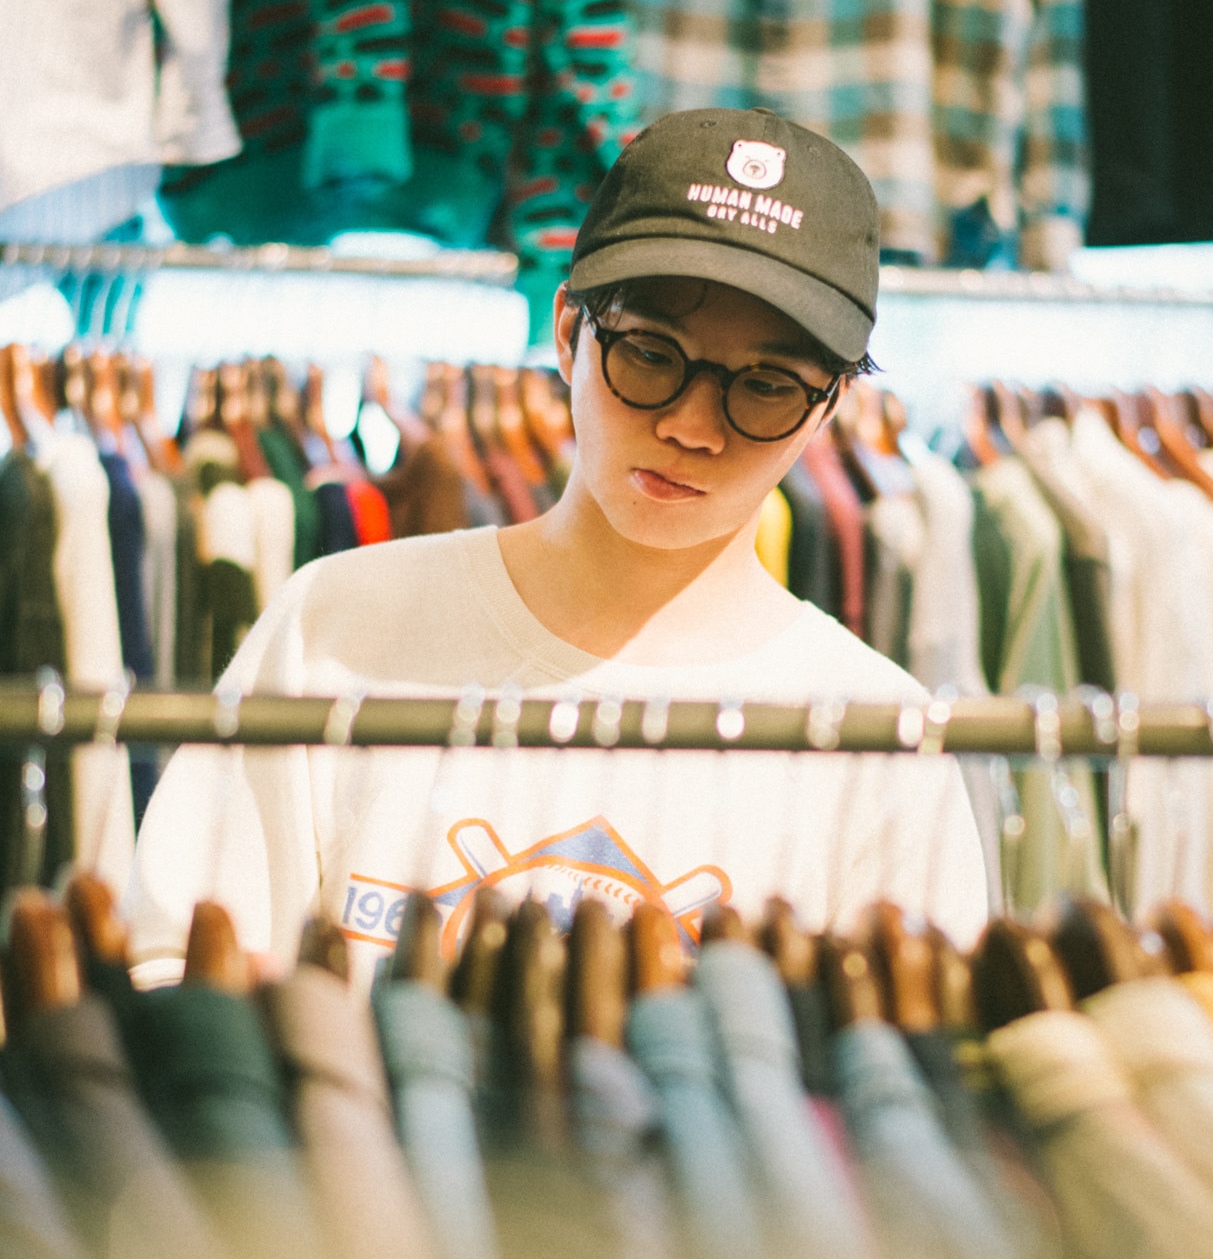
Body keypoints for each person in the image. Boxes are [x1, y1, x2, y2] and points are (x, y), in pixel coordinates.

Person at [124, 109, 987, 987]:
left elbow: (911, 1085)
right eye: (651, 355)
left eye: (764, 387)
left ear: (828, 406)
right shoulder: (342, 625)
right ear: (569, 332)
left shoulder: (878, 738)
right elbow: (180, 981)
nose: (691, 426)